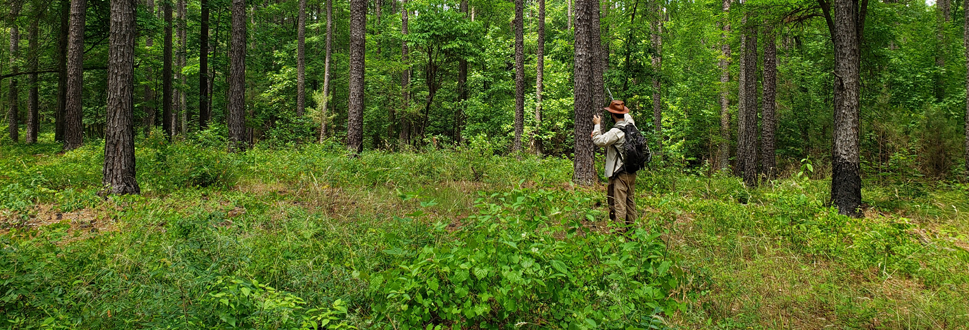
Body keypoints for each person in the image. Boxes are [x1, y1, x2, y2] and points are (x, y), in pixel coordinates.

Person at [591, 100, 637, 232]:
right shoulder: (631, 125)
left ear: (612, 115)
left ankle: (619, 235)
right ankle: (632, 232)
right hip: (632, 172)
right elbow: (627, 116)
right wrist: (620, 108)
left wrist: (597, 125)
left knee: (619, 204)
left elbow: (599, 141)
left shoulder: (616, 131)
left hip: (619, 173)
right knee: (630, 202)